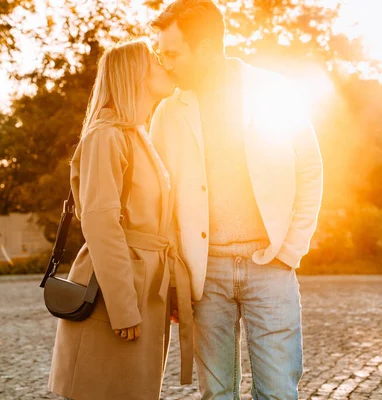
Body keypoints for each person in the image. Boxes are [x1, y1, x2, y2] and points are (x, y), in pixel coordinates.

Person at [149, 0, 323, 399]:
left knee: (278, 391)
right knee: (218, 393)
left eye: (172, 53)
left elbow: (310, 170)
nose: (165, 63)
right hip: (204, 277)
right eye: (161, 53)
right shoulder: (166, 113)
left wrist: (290, 249)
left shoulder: (275, 91)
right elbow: (162, 200)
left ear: (207, 48)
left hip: (272, 267)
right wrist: (177, 277)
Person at [48, 39, 195, 400]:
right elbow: (100, 223)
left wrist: (172, 288)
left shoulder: (136, 135)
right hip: (114, 290)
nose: (166, 66)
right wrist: (123, 306)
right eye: (157, 62)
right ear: (138, 75)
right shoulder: (107, 135)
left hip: (144, 284)